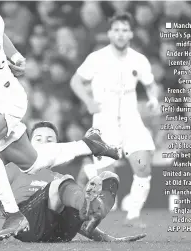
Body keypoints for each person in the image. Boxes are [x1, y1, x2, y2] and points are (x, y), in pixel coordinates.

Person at [0, 4, 120, 238]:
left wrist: (17, 57)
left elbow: (1, 37)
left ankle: (13, 214)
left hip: (9, 96)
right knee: (33, 163)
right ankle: (90, 144)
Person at [70, 12, 159, 228]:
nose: (121, 34)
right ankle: (90, 171)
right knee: (105, 178)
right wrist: (88, 100)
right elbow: (76, 81)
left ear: (131, 33)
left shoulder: (139, 59)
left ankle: (133, 215)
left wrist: (153, 98)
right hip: (105, 122)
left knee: (143, 166)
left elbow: (150, 83)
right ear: (110, 33)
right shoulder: (96, 58)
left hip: (131, 121)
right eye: (117, 30)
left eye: (125, 30)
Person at [0, 163, 146, 243]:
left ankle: (95, 206)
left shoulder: (55, 176)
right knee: (63, 183)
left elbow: (77, 218)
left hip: (60, 234)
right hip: (25, 223)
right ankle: (95, 203)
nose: (44, 144)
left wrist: (109, 239)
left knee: (66, 183)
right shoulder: (12, 169)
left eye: (50, 140)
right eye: (39, 139)